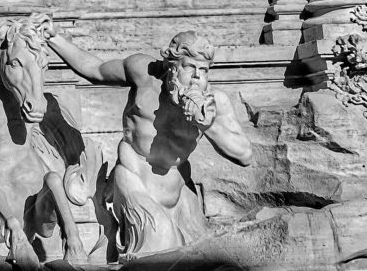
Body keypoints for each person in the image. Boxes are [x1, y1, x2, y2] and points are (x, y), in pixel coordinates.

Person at [46, 29, 252, 257]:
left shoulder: (215, 103)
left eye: (203, 70)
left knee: (198, 256)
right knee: (161, 239)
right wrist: (53, 39)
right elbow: (96, 70)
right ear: (172, 67)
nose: (197, 77)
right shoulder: (144, 73)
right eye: (190, 67)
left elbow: (244, 155)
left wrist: (207, 124)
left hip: (178, 185)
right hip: (134, 176)